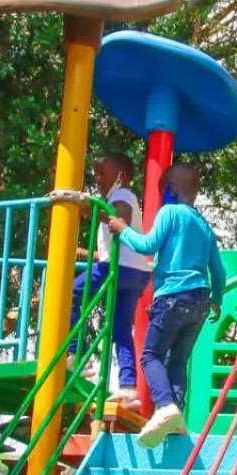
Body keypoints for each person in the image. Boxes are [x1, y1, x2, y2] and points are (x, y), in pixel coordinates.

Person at [109, 161, 224, 448]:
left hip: (172, 296)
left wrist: (123, 229)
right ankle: (177, 420)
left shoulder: (169, 212)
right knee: (179, 360)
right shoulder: (203, 225)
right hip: (199, 301)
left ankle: (164, 406)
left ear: (170, 190)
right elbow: (218, 271)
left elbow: (148, 245)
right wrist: (217, 301)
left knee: (150, 355)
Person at [71, 150, 149, 406]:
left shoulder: (122, 194)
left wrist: (91, 210)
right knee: (120, 329)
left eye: (101, 173)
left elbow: (120, 221)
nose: (97, 178)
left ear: (120, 176)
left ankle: (74, 353)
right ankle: (128, 387)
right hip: (135, 272)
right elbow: (111, 248)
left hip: (120, 269)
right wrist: (81, 253)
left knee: (72, 291)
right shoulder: (118, 197)